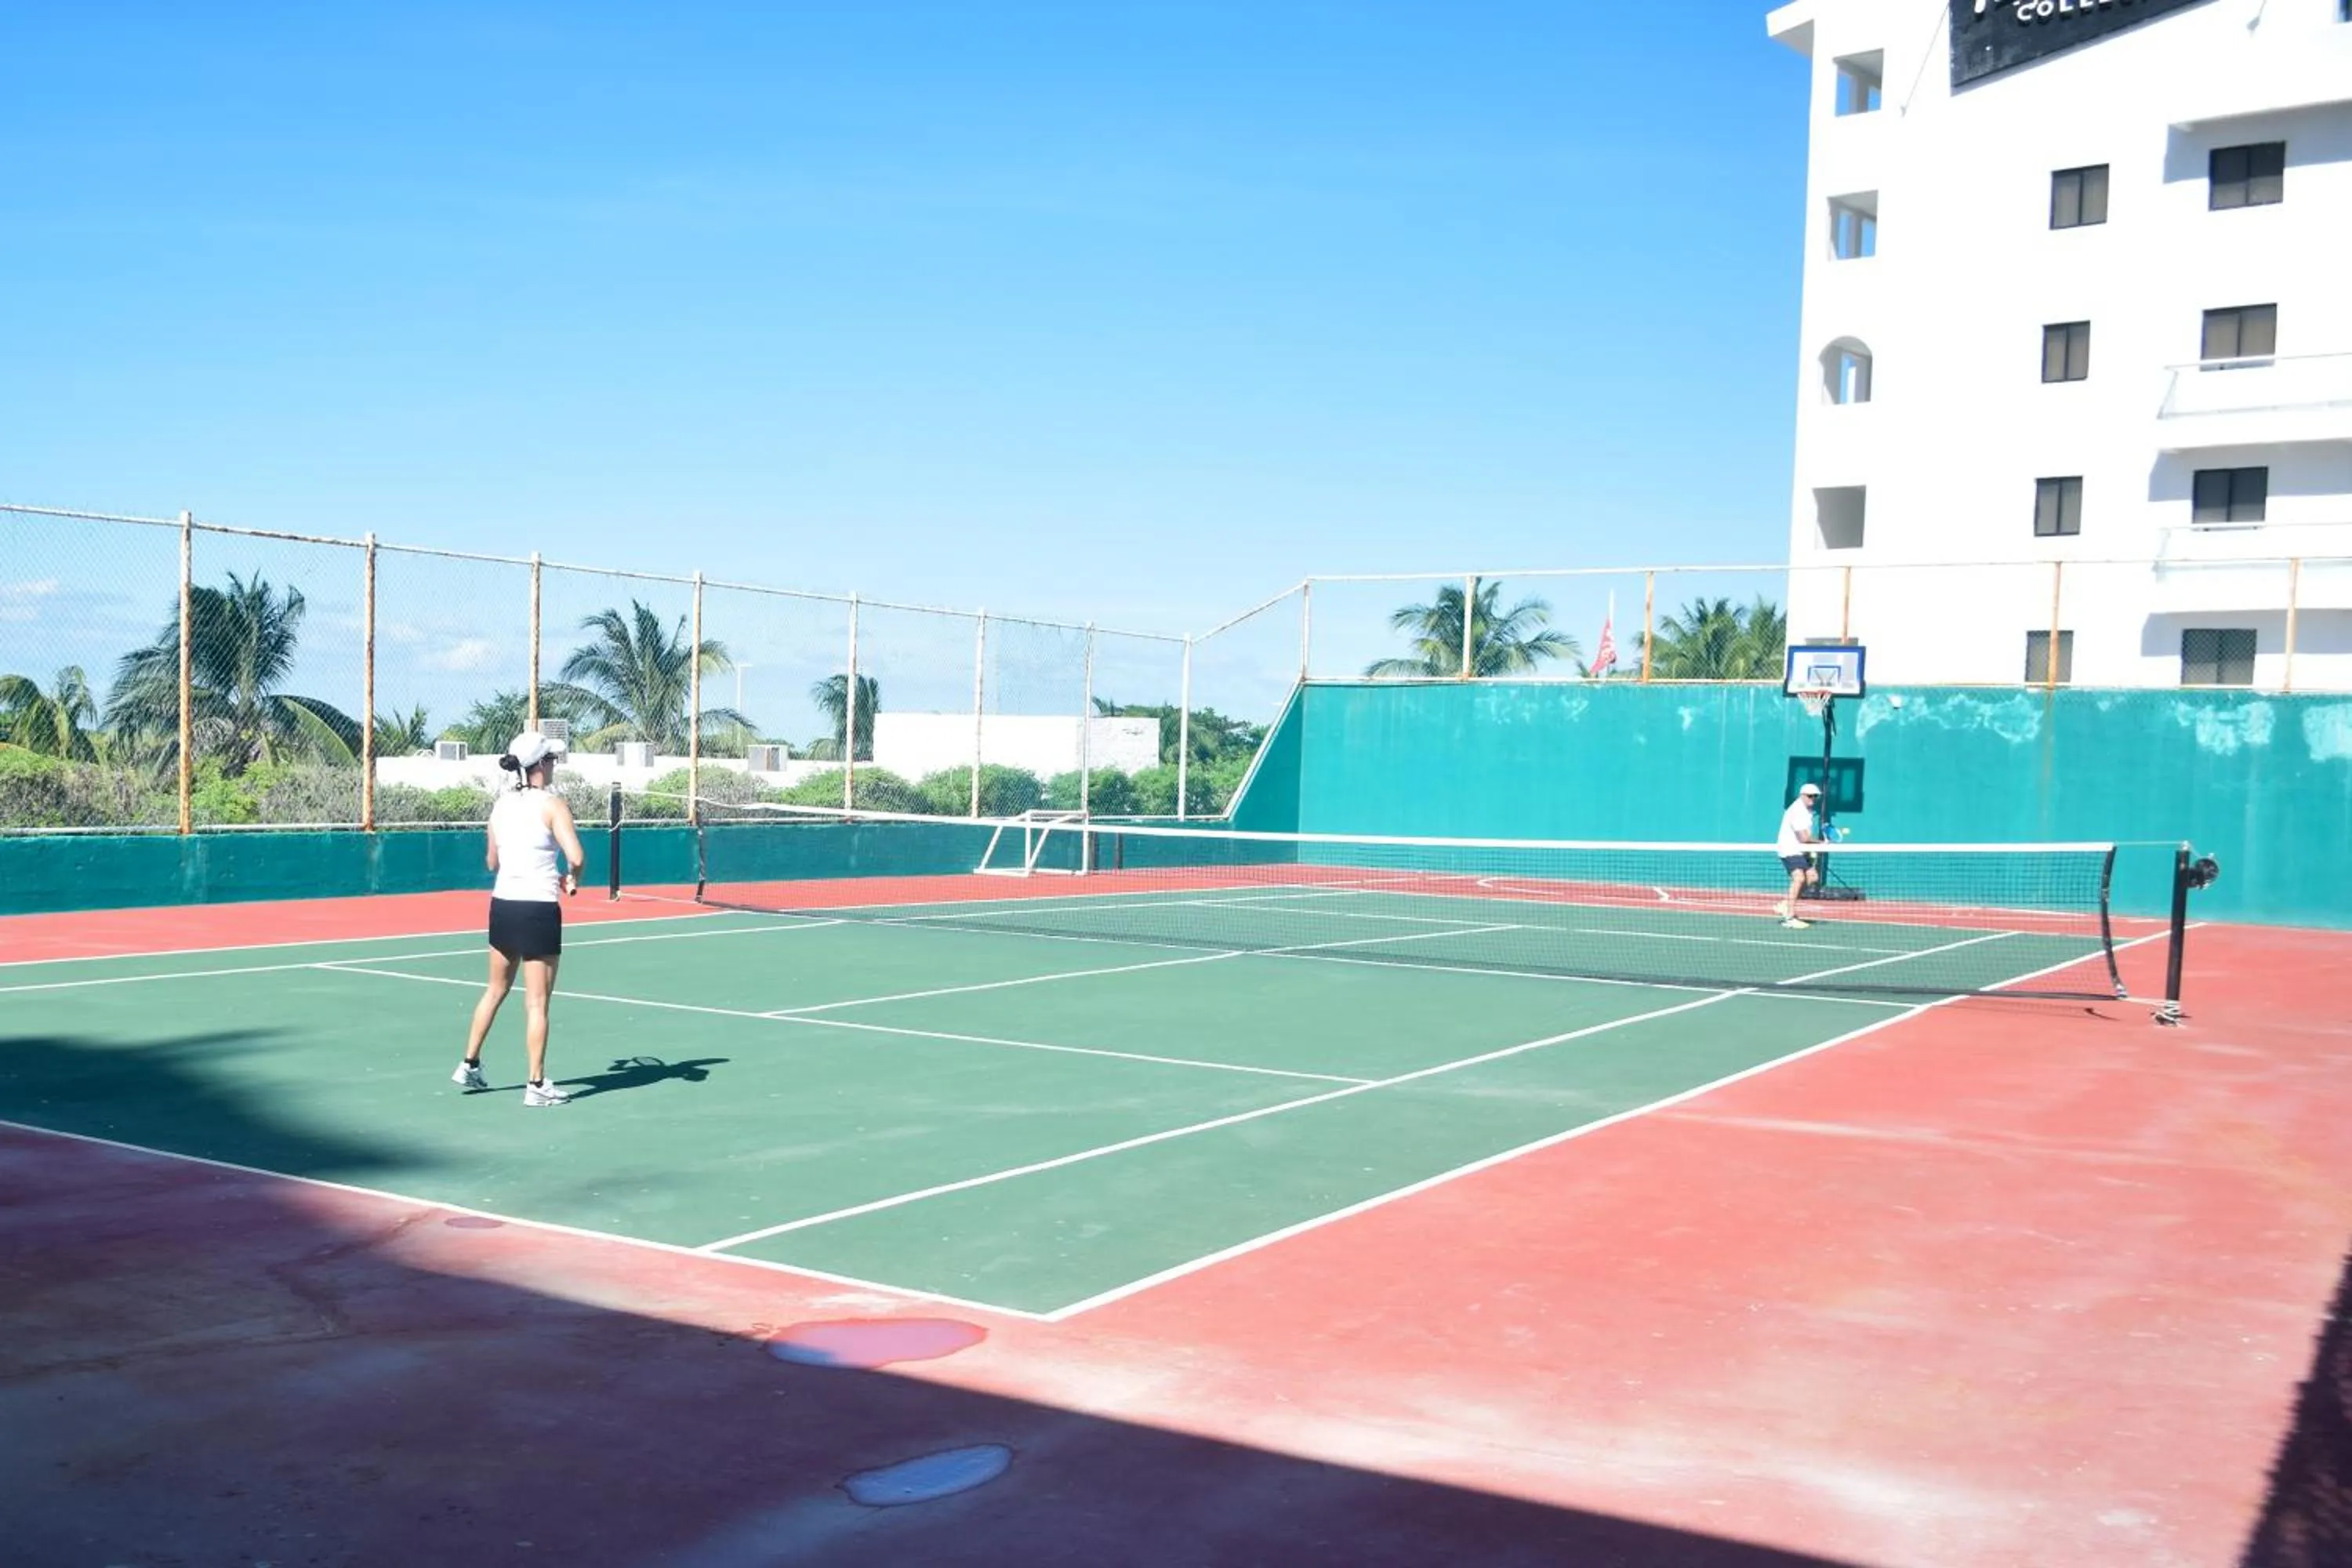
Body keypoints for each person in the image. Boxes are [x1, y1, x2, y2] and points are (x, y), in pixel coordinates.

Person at [455, 731, 586, 1105]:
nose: (554, 765)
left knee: (495, 989)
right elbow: (575, 856)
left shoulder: (500, 806)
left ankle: (469, 1064)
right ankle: (536, 1085)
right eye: (552, 759)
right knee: (537, 1003)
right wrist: (574, 877)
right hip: (538, 908)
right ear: (540, 765)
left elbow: (491, 862)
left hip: (503, 906)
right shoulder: (553, 805)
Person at [1774, 782, 1824, 929]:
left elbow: (1805, 838)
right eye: (1810, 796)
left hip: (1799, 850)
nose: (1812, 799)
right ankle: (1789, 917)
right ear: (1802, 795)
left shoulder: (1807, 811)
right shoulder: (1797, 810)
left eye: (1815, 797)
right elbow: (1804, 838)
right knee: (1799, 878)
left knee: (1812, 877)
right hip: (1789, 849)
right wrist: (1821, 843)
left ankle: (1785, 904)